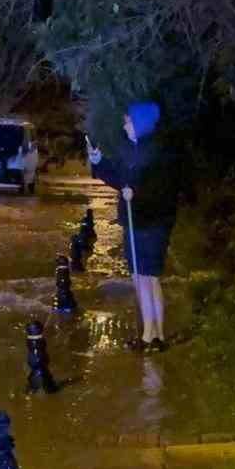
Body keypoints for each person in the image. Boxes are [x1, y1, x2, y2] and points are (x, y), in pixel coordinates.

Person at [88, 101, 179, 353]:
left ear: (140, 123)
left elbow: (163, 187)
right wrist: (99, 162)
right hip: (137, 220)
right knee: (144, 277)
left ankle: (151, 335)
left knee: (145, 277)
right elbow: (119, 177)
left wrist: (136, 192)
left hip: (151, 222)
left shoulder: (159, 151)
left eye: (128, 120)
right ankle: (155, 334)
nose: (124, 124)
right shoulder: (133, 149)